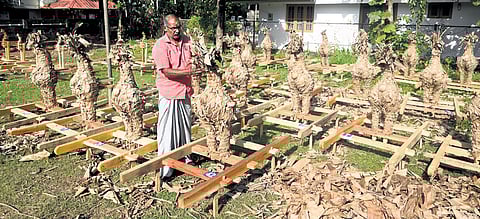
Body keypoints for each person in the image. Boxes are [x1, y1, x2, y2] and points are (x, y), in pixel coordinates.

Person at [152, 14, 195, 178]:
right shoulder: (161, 45)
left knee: (185, 128)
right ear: (165, 28)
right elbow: (166, 71)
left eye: (178, 27)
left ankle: (186, 158)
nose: (176, 30)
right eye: (172, 28)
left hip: (185, 91)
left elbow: (195, 56)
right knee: (167, 132)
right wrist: (189, 71)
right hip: (169, 92)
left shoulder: (187, 41)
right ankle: (166, 168)